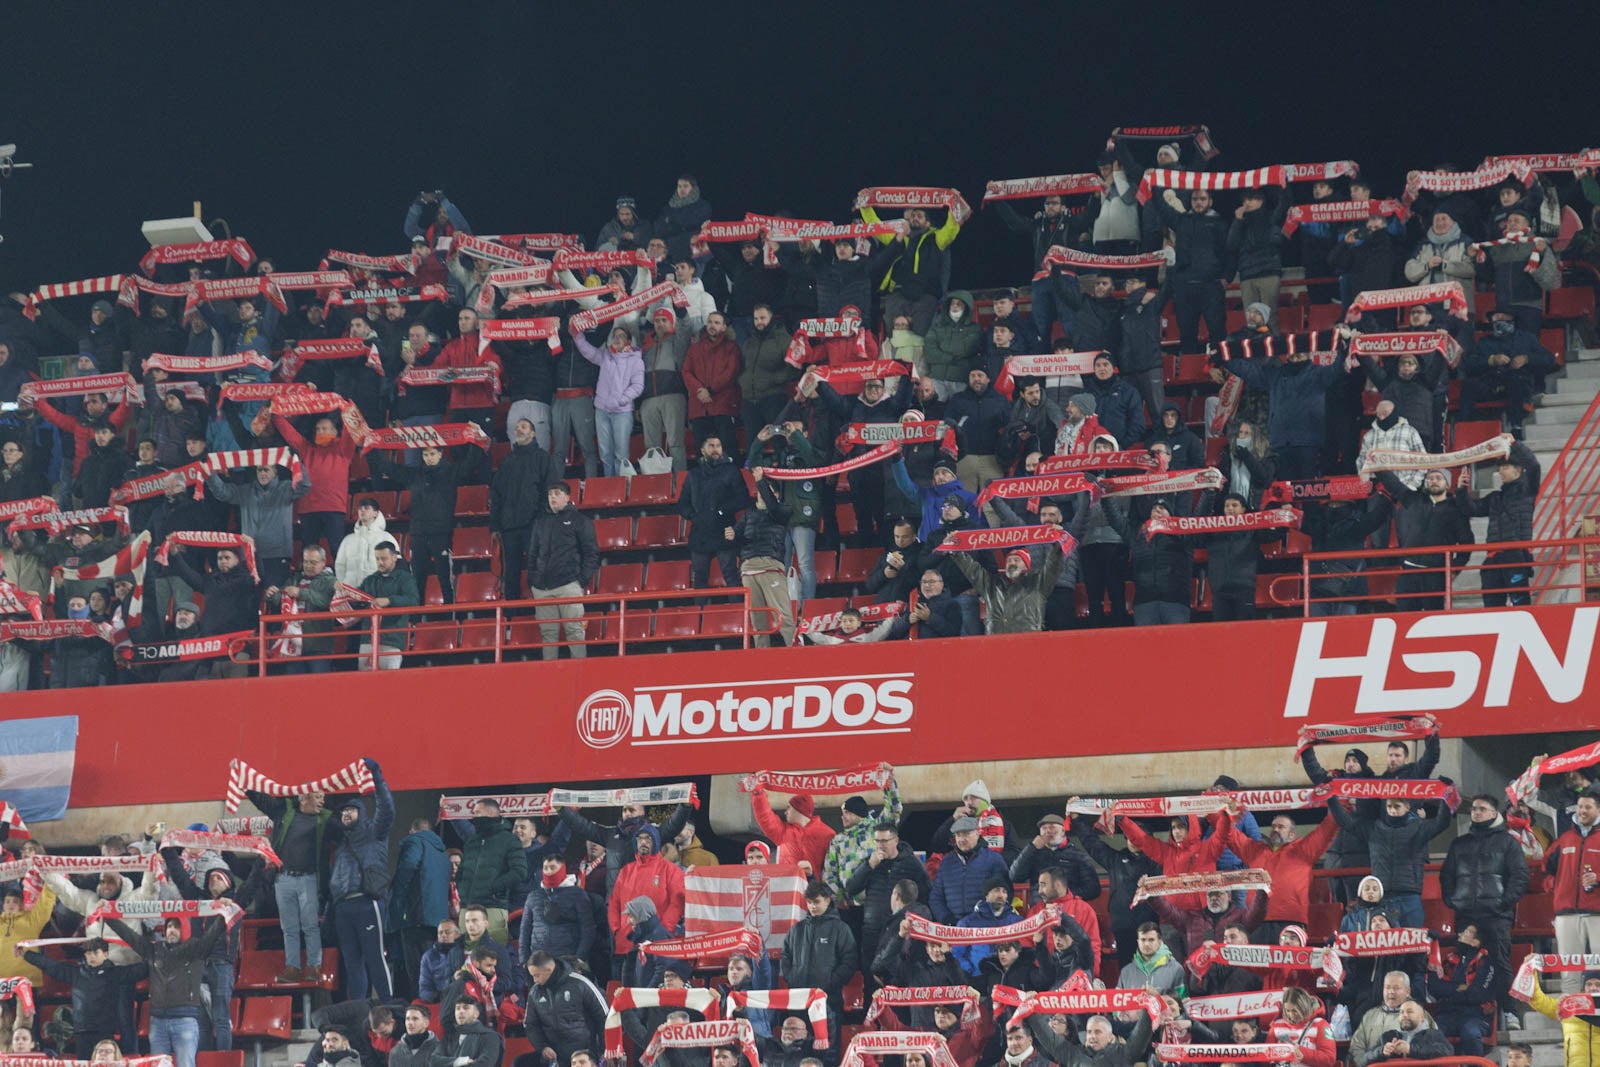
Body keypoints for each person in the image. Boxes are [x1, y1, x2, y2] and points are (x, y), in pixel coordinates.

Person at [103, 914, 224, 1067]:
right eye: (169, 926)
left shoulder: (196, 949)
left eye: (176, 926)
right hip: (157, 1022)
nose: (171, 930)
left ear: (185, 929)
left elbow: (214, 932)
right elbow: (129, 936)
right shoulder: (154, 950)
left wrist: (224, 914)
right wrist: (106, 916)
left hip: (184, 1020)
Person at [328, 760, 394, 1000]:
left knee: (375, 958)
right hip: (342, 907)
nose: (346, 814)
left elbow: (387, 809)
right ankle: (358, 1010)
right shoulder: (341, 843)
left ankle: (388, 1007)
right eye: (343, 811)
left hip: (367, 903)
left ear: (361, 813)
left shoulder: (374, 832)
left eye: (351, 810)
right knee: (352, 963)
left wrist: (377, 776)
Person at [369, 443, 463, 604]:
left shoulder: (451, 472)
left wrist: (478, 440)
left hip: (441, 534)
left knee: (445, 581)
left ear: (440, 454)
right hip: (418, 535)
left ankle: (450, 616)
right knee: (417, 582)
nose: (429, 458)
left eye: (432, 454)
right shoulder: (415, 475)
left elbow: (471, 462)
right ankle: (415, 619)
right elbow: (388, 467)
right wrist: (371, 446)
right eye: (426, 455)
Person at [23, 937, 146, 1058]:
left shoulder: (115, 973)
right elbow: (51, 966)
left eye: (95, 953)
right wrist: (26, 954)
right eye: (88, 953)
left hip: (105, 1031)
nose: (92, 956)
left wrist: (156, 955)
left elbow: (142, 970)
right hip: (82, 1032)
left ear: (106, 954)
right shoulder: (76, 973)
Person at [1378, 467, 1475, 612]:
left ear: (1447, 484)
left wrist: (1455, 569)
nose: (1434, 481)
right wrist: (1378, 467)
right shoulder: (1414, 500)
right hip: (1409, 571)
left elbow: (1467, 544)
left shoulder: (1456, 510)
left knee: (1433, 618)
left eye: (1438, 478)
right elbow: (1394, 484)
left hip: (1435, 575)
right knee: (1404, 617)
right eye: (1430, 478)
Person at [861, 204, 962, 335]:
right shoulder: (901, 237)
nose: (915, 218)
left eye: (919, 216)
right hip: (898, 292)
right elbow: (877, 227)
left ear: (928, 223)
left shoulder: (936, 238)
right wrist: (865, 206)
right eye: (913, 216)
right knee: (893, 334)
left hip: (925, 295)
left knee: (920, 335)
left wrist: (953, 204)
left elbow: (951, 229)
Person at [525, 482, 598, 660]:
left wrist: (579, 581)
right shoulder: (540, 522)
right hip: (542, 588)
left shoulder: (580, 520)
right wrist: (533, 579)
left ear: (567, 497)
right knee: (548, 635)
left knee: (574, 631)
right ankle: (550, 676)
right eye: (550, 494)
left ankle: (580, 673)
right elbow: (532, 553)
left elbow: (591, 553)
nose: (553, 497)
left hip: (568, 585)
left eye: (557, 493)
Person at [781, 881, 856, 1048]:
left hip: (828, 1001)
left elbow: (849, 962)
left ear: (828, 900)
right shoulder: (796, 929)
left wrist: (830, 983)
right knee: (797, 1051)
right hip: (799, 1001)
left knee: (828, 1050)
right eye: (809, 902)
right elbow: (785, 957)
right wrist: (792, 978)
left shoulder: (841, 929)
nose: (812, 907)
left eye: (816, 902)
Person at [1460, 309, 1557, 436]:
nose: (1499, 319)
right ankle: (1464, 429)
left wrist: (1526, 359)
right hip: (1491, 384)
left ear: (1512, 318)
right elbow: (1470, 365)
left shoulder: (1527, 339)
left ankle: (1516, 428)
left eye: (1503, 316)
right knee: (1469, 387)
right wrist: (1491, 360)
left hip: (1518, 385)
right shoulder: (1485, 342)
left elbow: (1549, 359)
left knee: (1515, 381)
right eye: (1496, 317)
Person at [490, 417, 555, 601]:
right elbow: (496, 496)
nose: (519, 429)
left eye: (524, 427)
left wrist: (542, 519)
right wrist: (495, 526)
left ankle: (542, 610)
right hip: (509, 527)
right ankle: (511, 616)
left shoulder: (543, 458)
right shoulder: (506, 461)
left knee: (538, 569)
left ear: (533, 433)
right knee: (511, 574)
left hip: (534, 524)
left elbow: (550, 490)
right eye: (517, 427)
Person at [1158, 188, 1229, 353]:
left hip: (1211, 286)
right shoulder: (1181, 220)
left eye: (1202, 199)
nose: (1198, 202)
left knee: (1217, 333)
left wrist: (1227, 276)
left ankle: (1220, 366)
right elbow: (1160, 206)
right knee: (1187, 336)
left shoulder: (1220, 222)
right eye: (1195, 199)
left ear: (1210, 202)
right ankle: (1190, 368)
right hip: (1185, 287)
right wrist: (1154, 184)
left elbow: (1228, 251)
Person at [389, 817, 451, 1000]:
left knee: (416, 969)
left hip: (416, 915)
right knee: (433, 966)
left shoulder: (414, 842)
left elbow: (406, 870)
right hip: (436, 919)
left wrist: (398, 901)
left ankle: (419, 1005)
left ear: (411, 830)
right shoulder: (442, 853)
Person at [679, 434, 745, 590]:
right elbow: (682, 504)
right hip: (700, 532)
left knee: (730, 575)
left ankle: (737, 607)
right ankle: (699, 609)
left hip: (725, 530)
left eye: (718, 446)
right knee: (700, 579)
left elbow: (743, 498)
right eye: (711, 446)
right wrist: (693, 516)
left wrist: (722, 511)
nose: (716, 449)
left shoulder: (731, 471)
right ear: (703, 450)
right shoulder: (693, 474)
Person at [950, 543, 1062, 635]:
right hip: (996, 645)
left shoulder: (1039, 583)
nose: (1012, 563)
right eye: (1009, 560)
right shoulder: (990, 585)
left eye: (1017, 560)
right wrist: (955, 550)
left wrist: (1057, 546)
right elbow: (972, 569)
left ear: (1027, 566)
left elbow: (1053, 566)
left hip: (1028, 644)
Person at [929, 817, 1010, 924]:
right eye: (958, 835)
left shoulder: (994, 859)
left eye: (966, 834)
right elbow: (936, 897)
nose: (962, 839)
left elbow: (1005, 893)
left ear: (978, 833)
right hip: (953, 926)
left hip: (986, 924)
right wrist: (947, 919)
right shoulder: (946, 862)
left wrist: (988, 917)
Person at [357, 540, 419, 670]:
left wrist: (390, 600)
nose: (380, 562)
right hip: (368, 640)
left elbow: (413, 601)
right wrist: (344, 592)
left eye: (384, 558)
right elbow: (357, 599)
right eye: (377, 558)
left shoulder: (405, 579)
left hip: (392, 641)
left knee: (389, 680)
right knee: (364, 681)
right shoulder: (370, 580)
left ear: (394, 557)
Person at [750, 788, 835, 875]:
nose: (785, 812)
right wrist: (758, 794)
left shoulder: (827, 834)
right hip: (787, 882)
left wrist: (813, 872)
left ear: (799, 810)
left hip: (814, 883)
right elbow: (765, 817)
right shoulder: (783, 831)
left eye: (789, 808)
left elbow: (833, 866)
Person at [1266, 986, 1336, 1067]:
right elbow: (1265, 1058)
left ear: (1303, 1007)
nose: (1291, 1015)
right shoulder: (1276, 1026)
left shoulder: (1321, 1025)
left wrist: (1301, 1053)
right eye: (1288, 1010)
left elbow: (1329, 1058)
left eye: (1295, 1011)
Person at [336, 497, 390, 590]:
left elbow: (393, 565)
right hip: (351, 591)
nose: (362, 510)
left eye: (367, 508)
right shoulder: (348, 539)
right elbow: (340, 565)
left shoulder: (386, 537)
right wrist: (344, 584)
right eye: (360, 508)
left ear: (375, 513)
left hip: (377, 591)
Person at [433, 997, 503, 1067]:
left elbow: (485, 1064)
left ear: (476, 1014)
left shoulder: (491, 1037)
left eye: (466, 1008)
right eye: (458, 1008)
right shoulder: (449, 1036)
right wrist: (460, 1061)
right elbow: (433, 1061)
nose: (461, 1011)